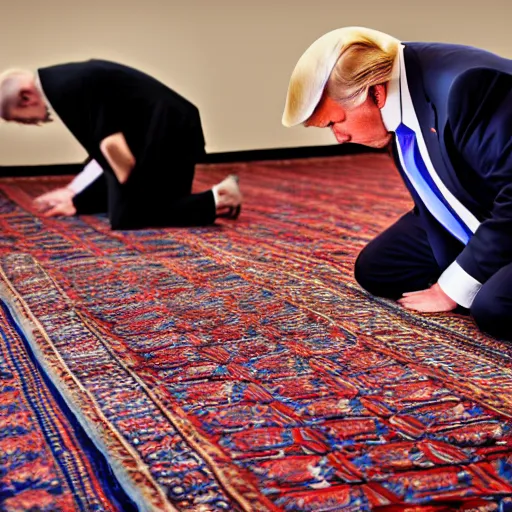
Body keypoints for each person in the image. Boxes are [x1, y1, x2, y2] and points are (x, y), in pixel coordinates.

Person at [282, 26, 512, 340]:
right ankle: (487, 267)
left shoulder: (466, 88)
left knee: (494, 308)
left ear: (375, 92)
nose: (339, 137)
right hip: (483, 203)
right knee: (376, 269)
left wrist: (452, 287)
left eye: (336, 122)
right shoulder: (398, 94)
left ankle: (487, 275)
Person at [0, 60, 242, 229]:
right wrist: (75, 195)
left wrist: (90, 200)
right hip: (166, 128)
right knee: (125, 207)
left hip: (170, 133)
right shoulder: (61, 81)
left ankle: (220, 197)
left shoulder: (64, 88)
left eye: (18, 118)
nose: (29, 123)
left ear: (25, 97)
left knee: (128, 215)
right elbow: (103, 155)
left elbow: (115, 152)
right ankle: (217, 197)